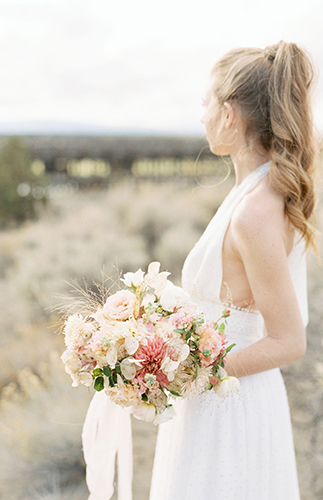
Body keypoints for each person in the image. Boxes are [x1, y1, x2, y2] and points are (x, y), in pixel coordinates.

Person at [149, 41, 318, 500]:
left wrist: (187, 373)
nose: (200, 115)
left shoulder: (255, 212)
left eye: (205, 103)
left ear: (229, 114)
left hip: (230, 404)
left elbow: (288, 340)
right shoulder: (250, 190)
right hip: (217, 395)